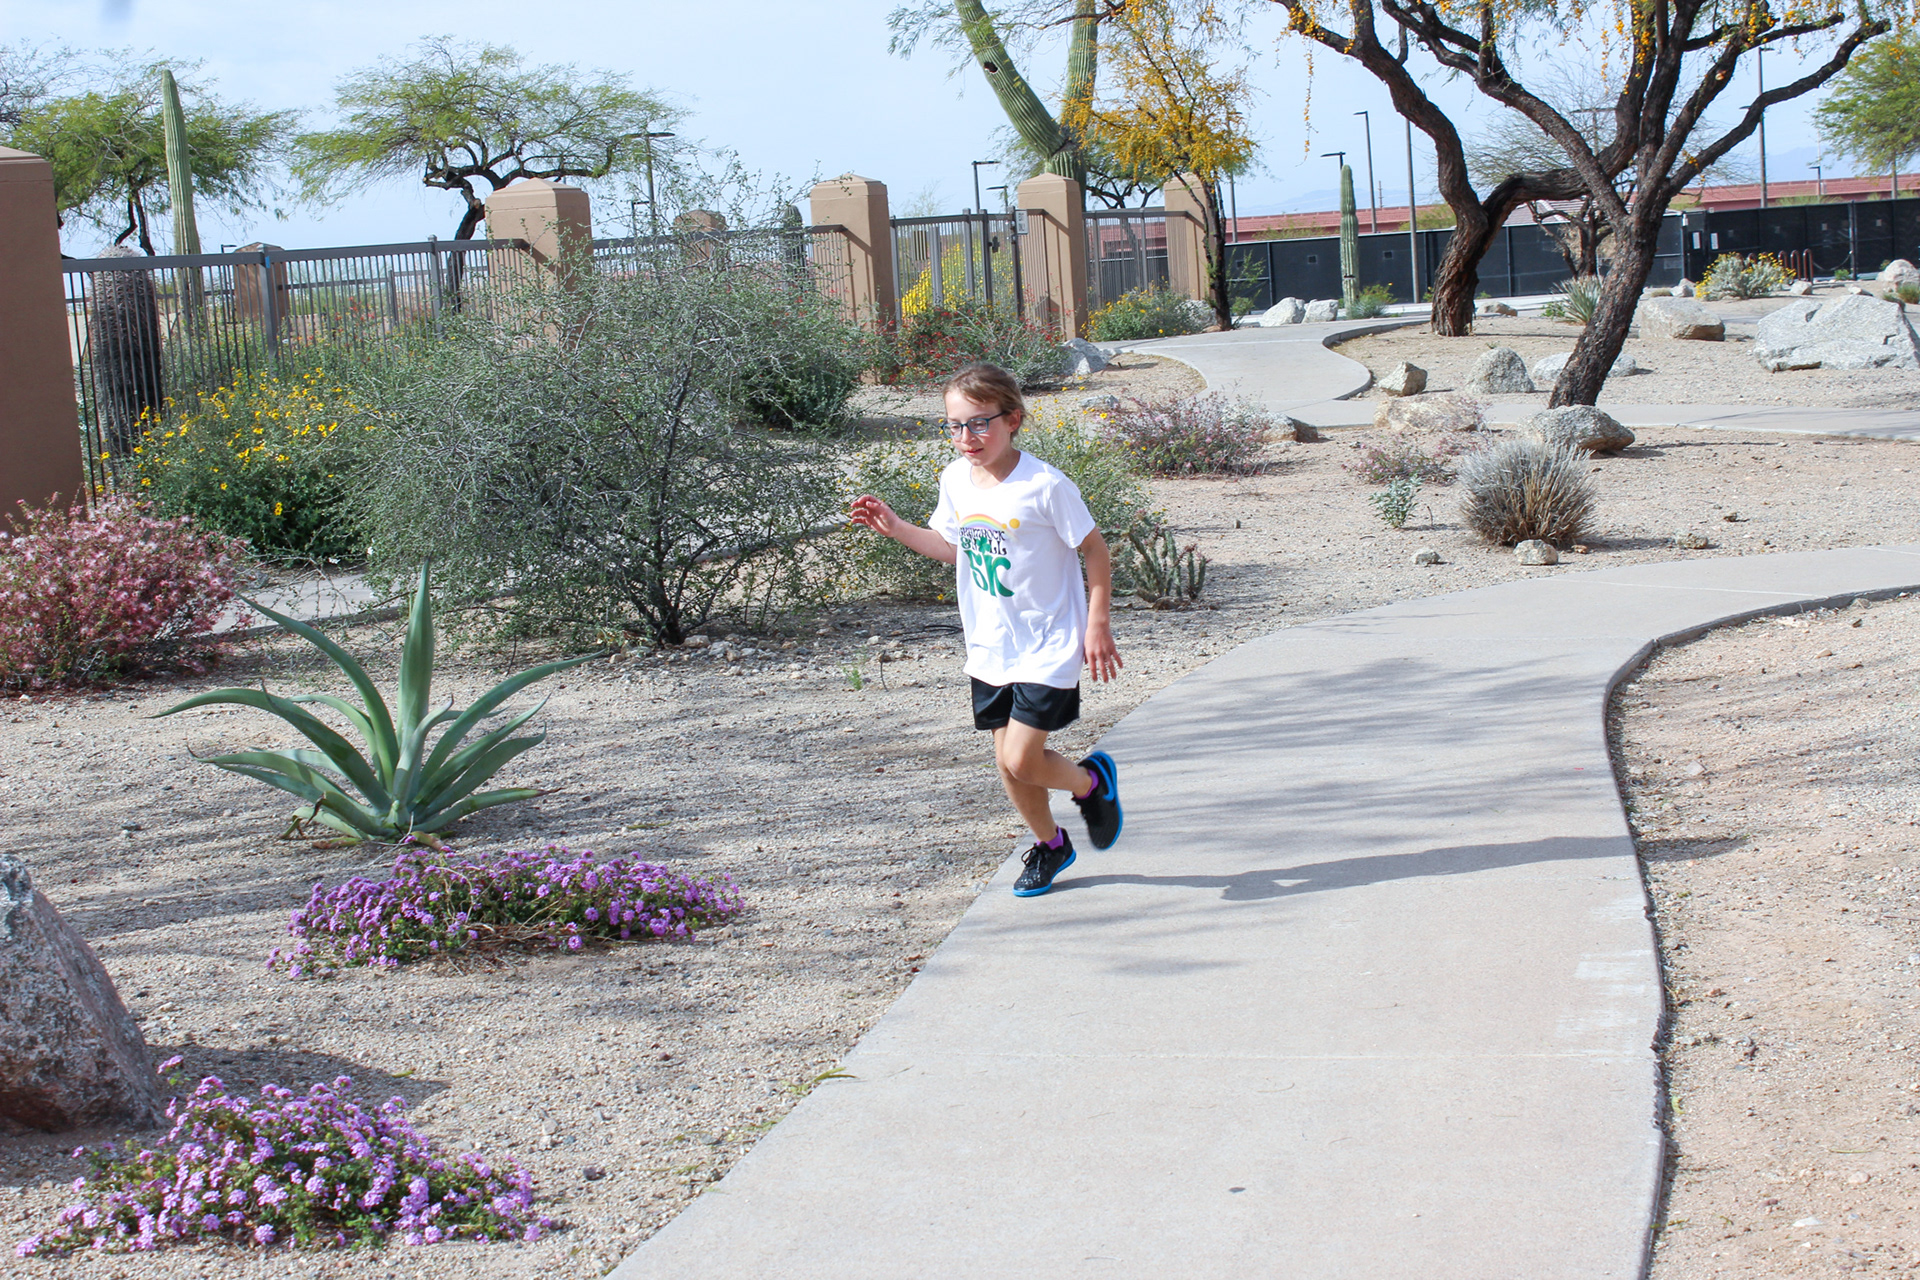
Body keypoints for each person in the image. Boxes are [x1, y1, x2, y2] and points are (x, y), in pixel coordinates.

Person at [849, 361, 1123, 897]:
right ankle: (1051, 845)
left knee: (1022, 757)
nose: (966, 437)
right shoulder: (955, 480)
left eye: (980, 423)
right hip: (991, 644)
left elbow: (1094, 550)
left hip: (1048, 640)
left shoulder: (1045, 485)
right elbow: (953, 547)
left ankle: (1091, 783)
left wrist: (1098, 623)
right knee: (1007, 763)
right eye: (955, 425)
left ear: (1013, 419)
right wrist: (897, 527)